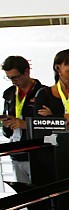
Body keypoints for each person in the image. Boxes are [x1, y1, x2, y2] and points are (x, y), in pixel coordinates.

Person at [1, 55, 44, 183]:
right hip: (16, 153)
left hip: (37, 155)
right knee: (22, 194)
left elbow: (50, 126)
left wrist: (26, 124)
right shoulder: (9, 93)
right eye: (9, 78)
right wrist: (7, 123)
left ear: (27, 71)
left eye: (15, 77)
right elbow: (7, 130)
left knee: (41, 195)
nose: (13, 81)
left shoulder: (43, 93)